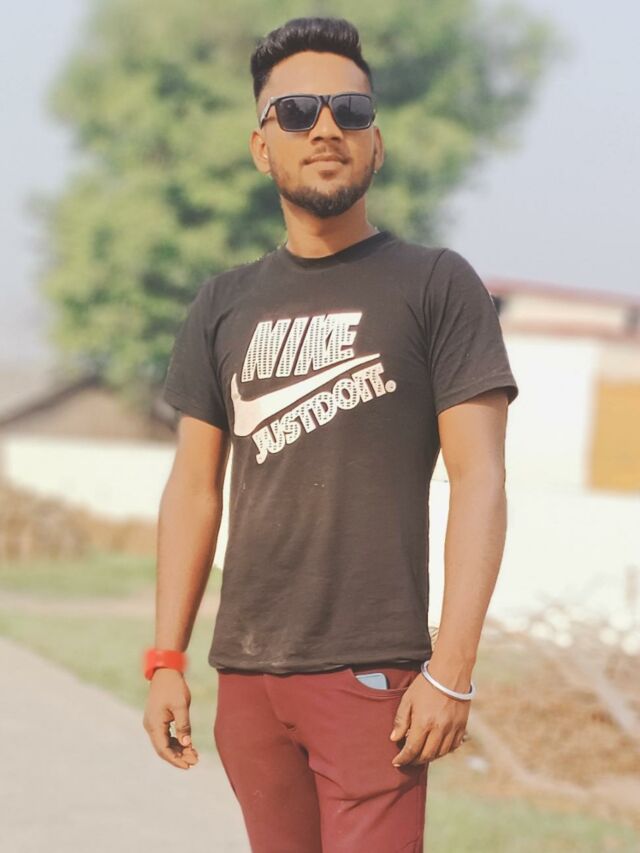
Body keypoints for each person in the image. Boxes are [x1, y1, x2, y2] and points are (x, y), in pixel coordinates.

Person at [142, 15, 519, 853]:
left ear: (376, 143)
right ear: (261, 146)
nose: (325, 128)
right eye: (296, 110)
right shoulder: (221, 303)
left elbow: (481, 479)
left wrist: (452, 668)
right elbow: (193, 488)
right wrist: (165, 657)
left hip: (370, 673)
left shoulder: (436, 285)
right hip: (248, 676)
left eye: (350, 111)